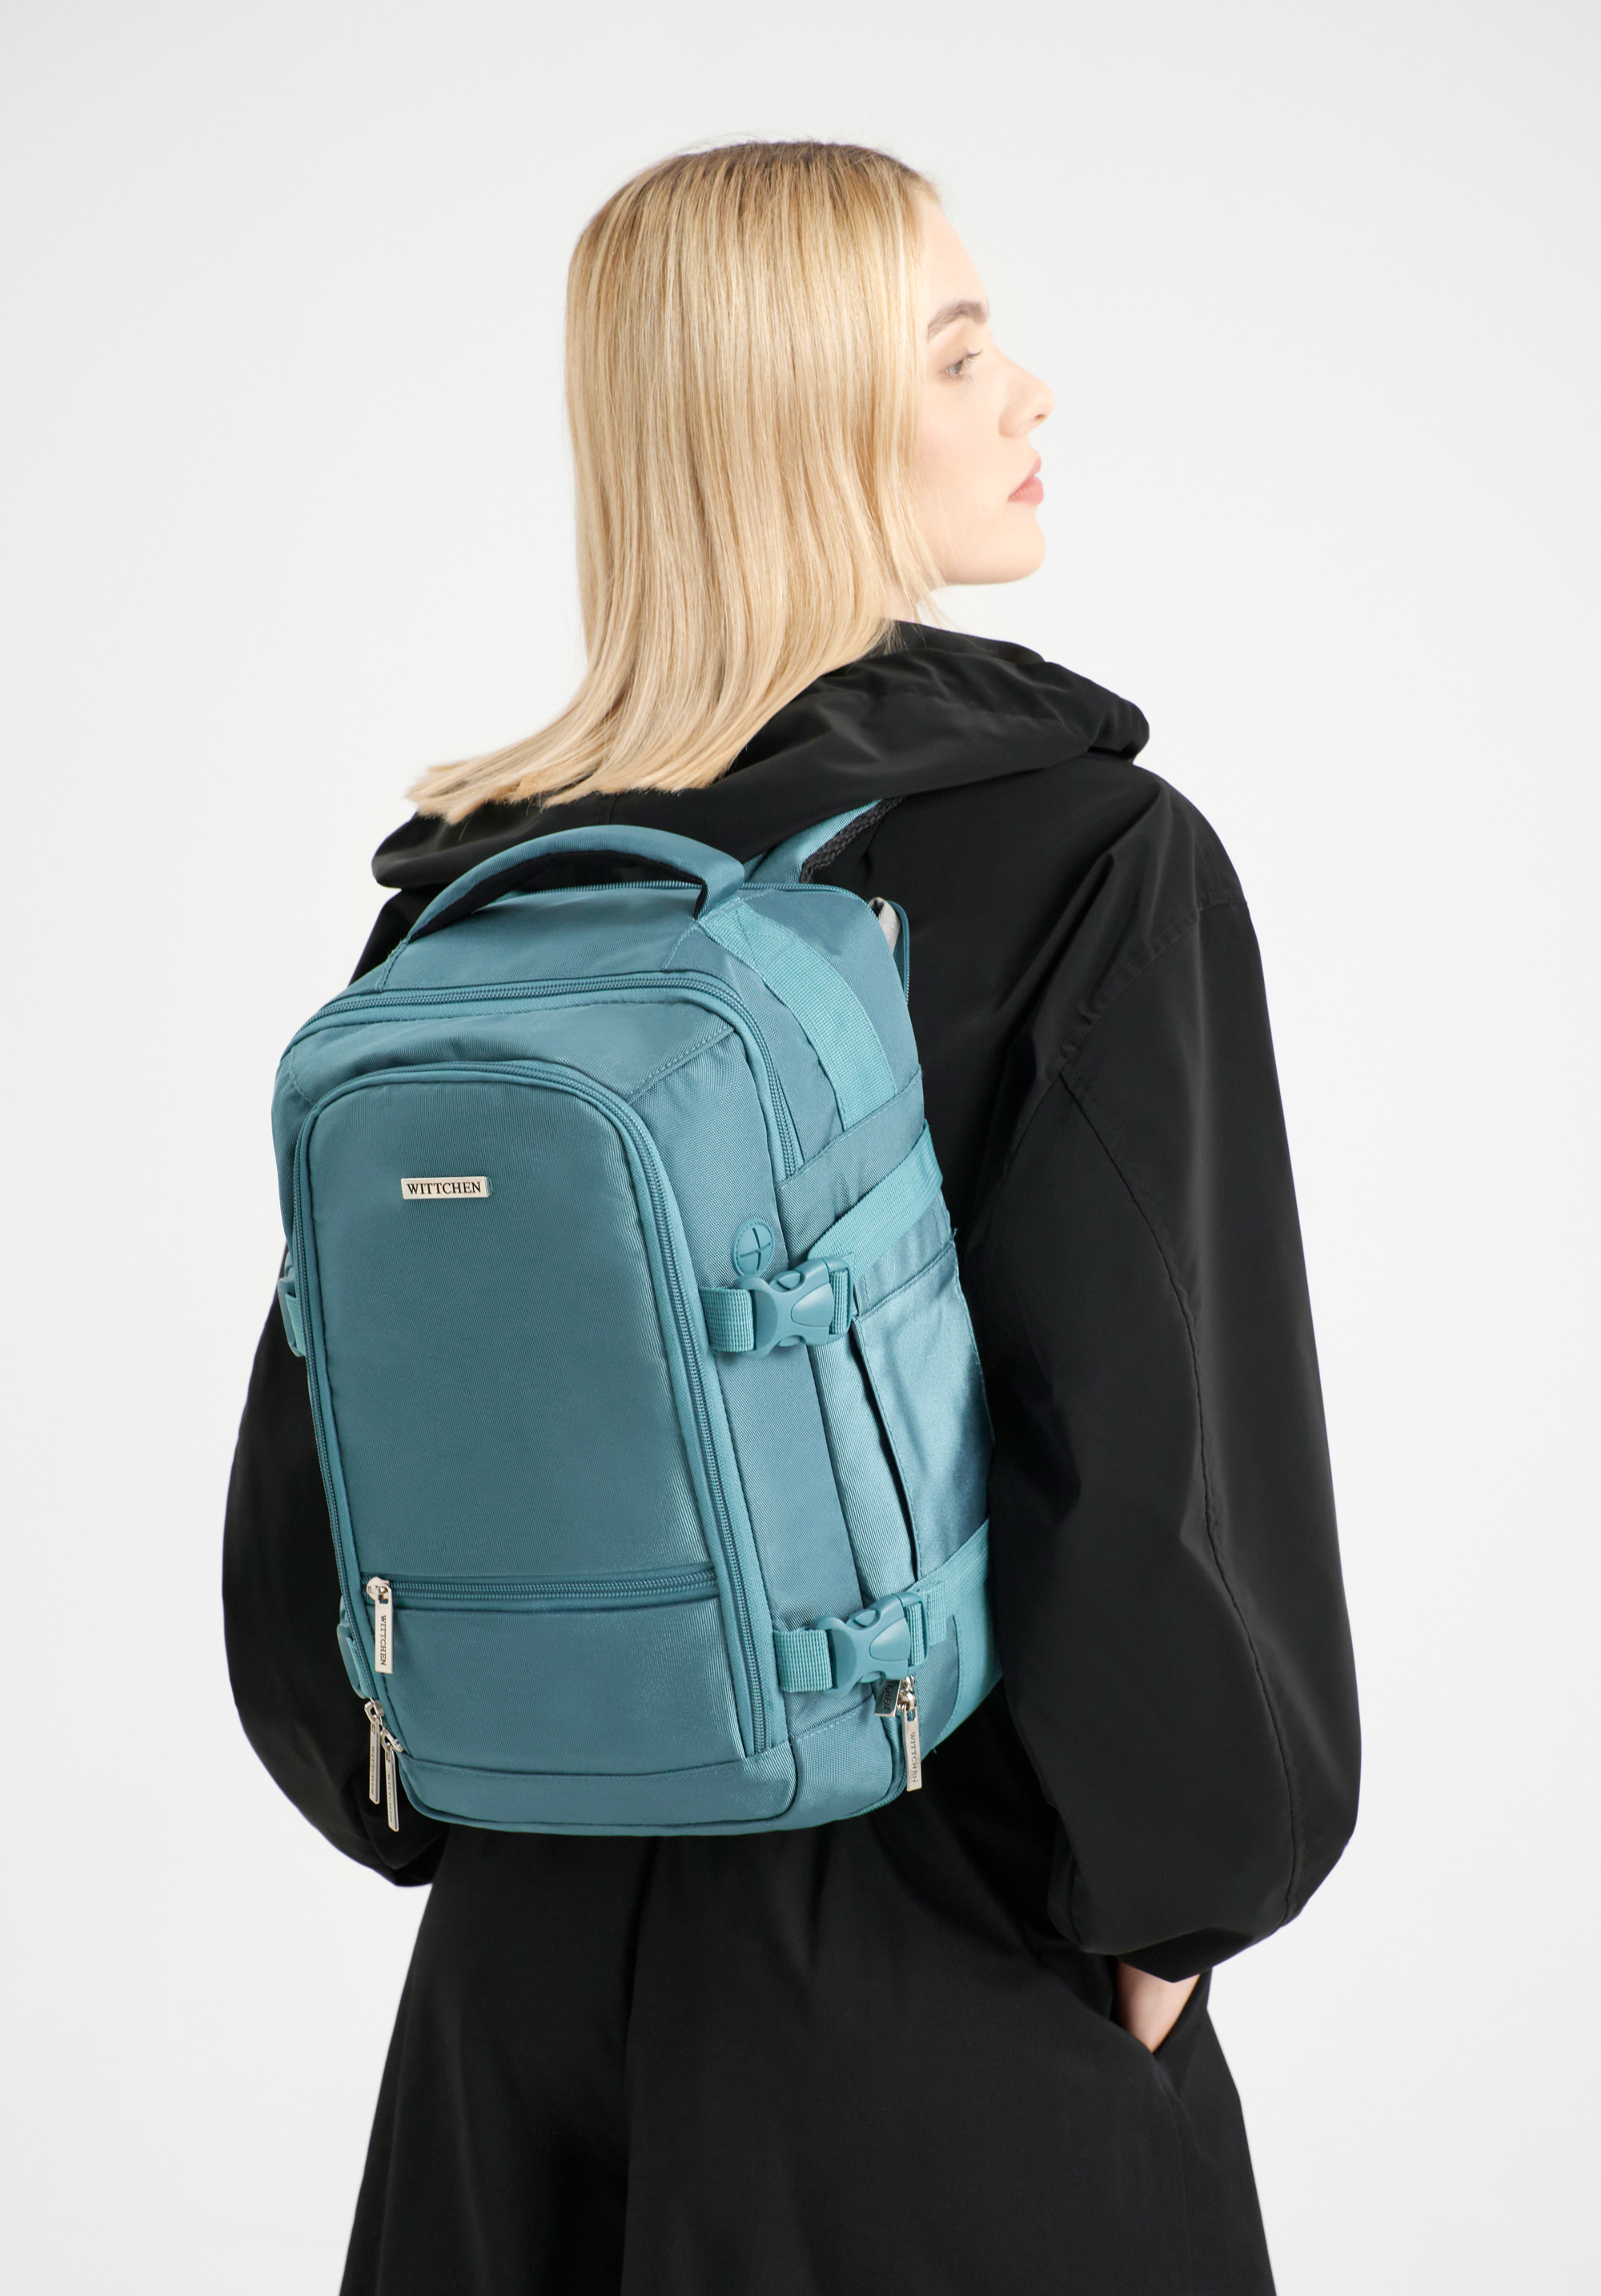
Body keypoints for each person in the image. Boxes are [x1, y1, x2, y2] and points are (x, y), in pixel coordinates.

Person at [224, 140, 1359, 2295]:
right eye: (955, 354)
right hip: (933, 1970)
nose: (1031, 392)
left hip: (506, 1991)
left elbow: (321, 1478)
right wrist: (1175, 1899)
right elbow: (1149, 1447)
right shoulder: (1086, 853)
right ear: (799, 419)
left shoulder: (474, 892)